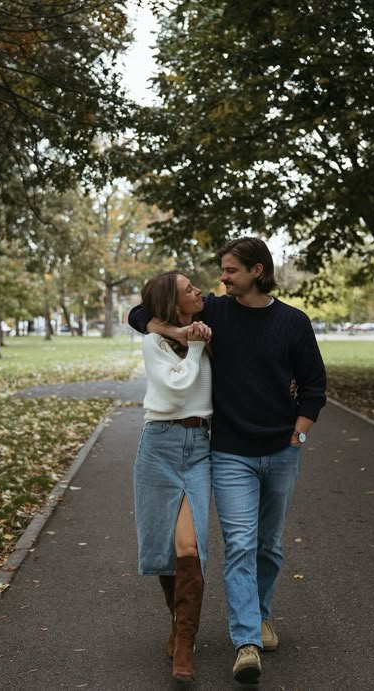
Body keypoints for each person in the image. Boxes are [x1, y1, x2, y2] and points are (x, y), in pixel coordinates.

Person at [130, 238, 327, 685]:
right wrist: (178, 332)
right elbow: (140, 313)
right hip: (230, 452)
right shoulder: (214, 312)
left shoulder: (293, 323)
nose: (221, 278)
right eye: (222, 270)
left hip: (281, 450)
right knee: (239, 544)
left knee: (268, 546)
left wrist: (297, 435)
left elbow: (315, 385)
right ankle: (247, 642)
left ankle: (259, 616)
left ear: (257, 271)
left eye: (231, 271)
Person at [133, 271, 213, 683]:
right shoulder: (154, 342)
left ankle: (185, 642)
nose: (199, 291)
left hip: (199, 446)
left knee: (188, 544)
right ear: (172, 303)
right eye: (189, 290)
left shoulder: (208, 330)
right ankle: (179, 627)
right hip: (159, 445)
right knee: (164, 547)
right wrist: (194, 347)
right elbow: (176, 387)